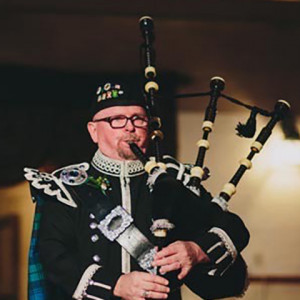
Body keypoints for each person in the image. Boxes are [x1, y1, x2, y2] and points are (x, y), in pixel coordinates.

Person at [25, 82, 249, 300]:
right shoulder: (67, 186)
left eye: (138, 119)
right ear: (93, 130)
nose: (130, 127)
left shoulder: (171, 179)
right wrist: (117, 284)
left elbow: (230, 225)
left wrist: (197, 249)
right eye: (117, 120)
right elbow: (54, 256)